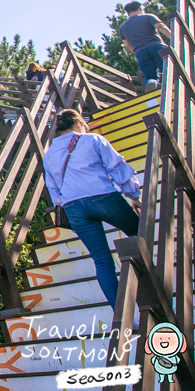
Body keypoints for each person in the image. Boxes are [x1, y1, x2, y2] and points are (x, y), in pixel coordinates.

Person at [44, 109, 141, 309]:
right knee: (138, 232)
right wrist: (133, 195)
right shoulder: (93, 140)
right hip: (102, 197)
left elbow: (53, 189)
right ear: (79, 123)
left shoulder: (49, 154)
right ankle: (149, 283)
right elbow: (116, 166)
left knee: (102, 260)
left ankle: (121, 313)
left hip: (73, 208)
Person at [119, 1, 171, 92]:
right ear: (140, 9)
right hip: (156, 46)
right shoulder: (148, 17)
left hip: (140, 52)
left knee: (150, 76)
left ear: (128, 13)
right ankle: (175, 85)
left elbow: (127, 45)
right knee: (169, 68)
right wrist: (174, 38)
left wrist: (137, 52)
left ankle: (151, 83)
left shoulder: (122, 27)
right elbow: (159, 25)